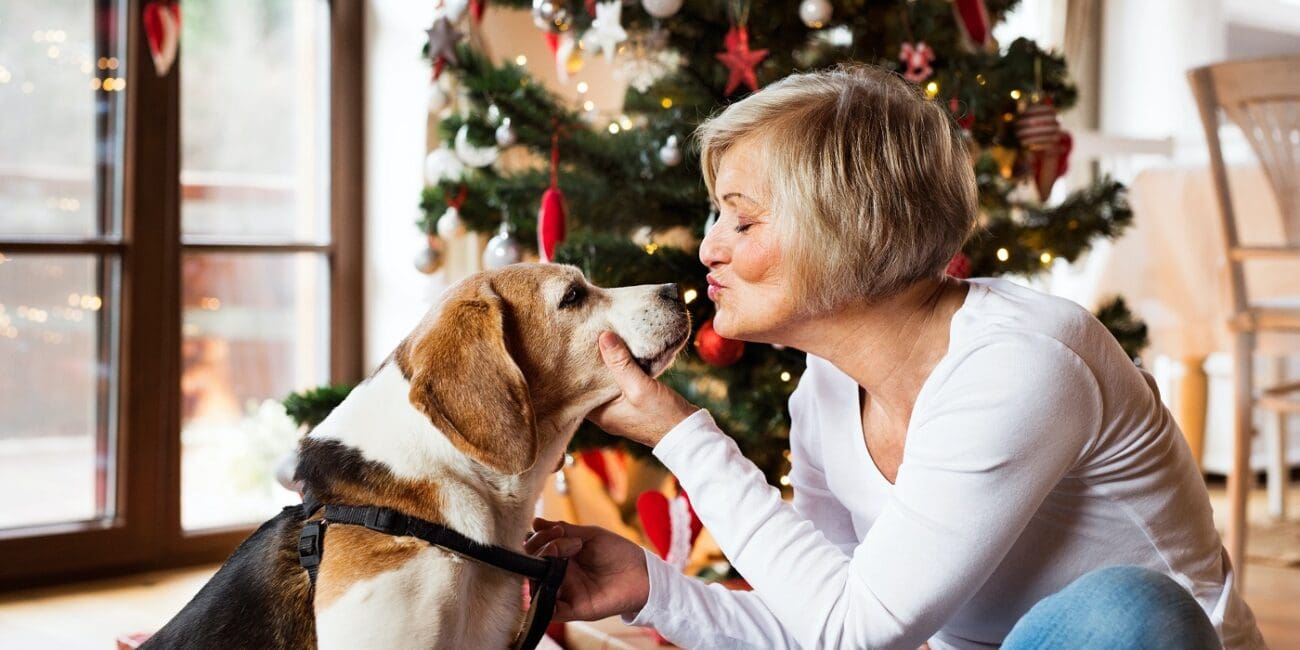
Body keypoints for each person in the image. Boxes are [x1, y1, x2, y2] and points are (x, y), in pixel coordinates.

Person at [524, 65, 1264, 649]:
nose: (709, 247)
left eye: (742, 218)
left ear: (851, 231)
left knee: (1126, 609)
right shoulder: (823, 390)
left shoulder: (1022, 363)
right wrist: (654, 588)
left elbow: (857, 633)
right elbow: (822, 625)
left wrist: (680, 435)